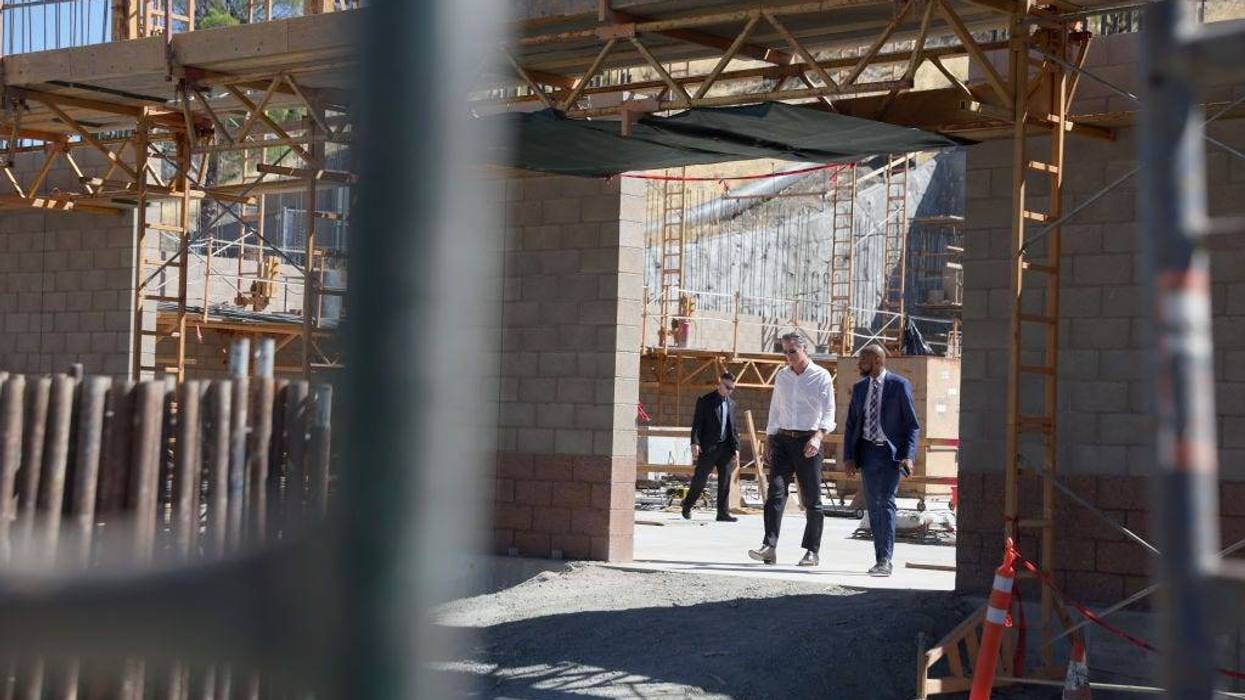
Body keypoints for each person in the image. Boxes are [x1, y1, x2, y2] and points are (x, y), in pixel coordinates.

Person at [748, 332, 835, 567]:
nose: (789, 357)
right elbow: (776, 409)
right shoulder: (783, 377)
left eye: (793, 352)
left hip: (809, 441)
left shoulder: (821, 376)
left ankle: (812, 551)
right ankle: (769, 546)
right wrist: (769, 438)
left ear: (804, 349)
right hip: (783, 440)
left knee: (812, 499)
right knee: (775, 493)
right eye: (785, 352)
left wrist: (818, 436)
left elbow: (829, 413)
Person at [843, 344, 921, 577]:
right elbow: (851, 424)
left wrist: (908, 455)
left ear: (877, 360)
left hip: (890, 454)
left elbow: (912, 425)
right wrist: (848, 456)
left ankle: (885, 559)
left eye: (863, 360)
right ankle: (879, 557)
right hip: (867, 453)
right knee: (873, 505)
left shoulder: (899, 386)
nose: (859, 364)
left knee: (886, 502)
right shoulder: (859, 389)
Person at [683, 372, 741, 522]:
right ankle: (687, 505)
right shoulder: (705, 401)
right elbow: (697, 424)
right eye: (727, 387)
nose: (729, 391)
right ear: (719, 384)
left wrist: (737, 448)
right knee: (700, 480)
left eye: (732, 388)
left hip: (726, 449)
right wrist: (695, 443)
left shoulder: (732, 404)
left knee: (725, 481)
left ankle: (722, 513)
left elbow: (733, 428)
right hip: (709, 448)